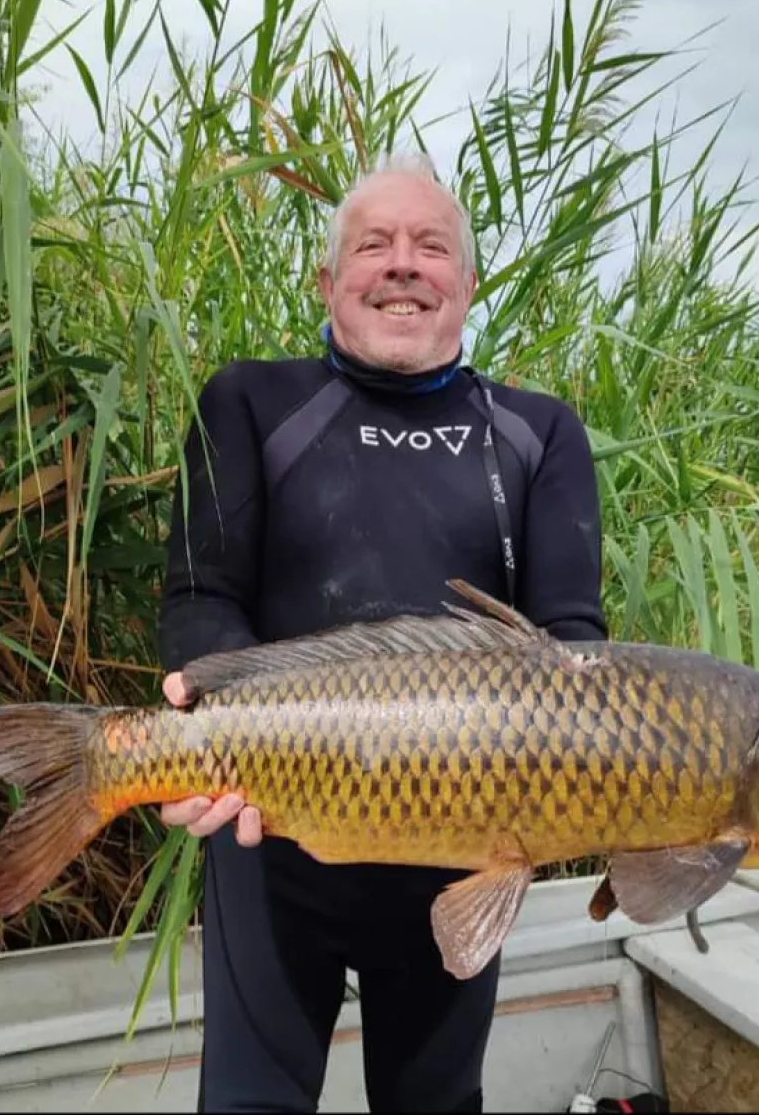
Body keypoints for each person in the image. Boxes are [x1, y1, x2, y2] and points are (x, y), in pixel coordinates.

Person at [155, 151, 608, 1113]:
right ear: (328, 281)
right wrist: (199, 735)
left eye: (430, 246)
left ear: (468, 283)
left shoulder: (540, 434)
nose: (403, 264)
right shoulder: (247, 401)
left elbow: (575, 641)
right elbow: (203, 597)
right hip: (271, 823)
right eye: (374, 244)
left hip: (466, 841)